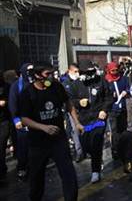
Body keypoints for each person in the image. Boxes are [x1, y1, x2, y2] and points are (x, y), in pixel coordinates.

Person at [18, 62, 82, 201]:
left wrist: (76, 122)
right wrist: (43, 127)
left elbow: (68, 103)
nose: (51, 77)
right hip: (38, 143)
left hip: (58, 140)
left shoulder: (57, 87)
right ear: (37, 75)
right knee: (37, 178)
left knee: (68, 173)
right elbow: (24, 119)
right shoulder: (27, 93)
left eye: (52, 73)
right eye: (48, 74)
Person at [73, 59, 113, 183]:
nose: (90, 74)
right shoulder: (76, 84)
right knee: (86, 146)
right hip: (84, 120)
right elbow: (69, 101)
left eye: (92, 71)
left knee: (96, 142)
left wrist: (104, 110)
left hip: (99, 118)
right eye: (87, 72)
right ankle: (96, 156)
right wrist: (78, 102)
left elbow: (109, 97)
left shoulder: (101, 81)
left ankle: (95, 171)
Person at [8, 63, 33, 180]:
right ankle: (22, 167)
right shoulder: (16, 85)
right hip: (22, 121)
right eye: (28, 71)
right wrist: (16, 119)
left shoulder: (35, 83)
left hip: (35, 120)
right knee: (23, 146)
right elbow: (12, 103)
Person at [104, 61, 130, 160]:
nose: (115, 72)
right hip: (112, 110)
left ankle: (124, 149)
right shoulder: (106, 81)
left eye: (116, 70)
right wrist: (111, 95)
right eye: (112, 71)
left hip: (122, 108)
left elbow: (128, 88)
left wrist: (125, 92)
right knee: (115, 132)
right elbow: (104, 94)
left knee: (123, 129)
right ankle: (115, 151)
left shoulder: (123, 78)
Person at [61, 63, 85, 162]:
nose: (77, 73)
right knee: (75, 131)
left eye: (78, 71)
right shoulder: (66, 83)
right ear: (69, 71)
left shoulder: (81, 82)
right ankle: (79, 152)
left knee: (84, 130)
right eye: (75, 72)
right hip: (72, 110)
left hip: (83, 110)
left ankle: (85, 150)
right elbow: (68, 100)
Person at [0, 72, 11, 180]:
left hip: (4, 121)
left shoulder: (6, 86)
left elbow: (5, 102)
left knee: (1, 146)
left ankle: (2, 172)